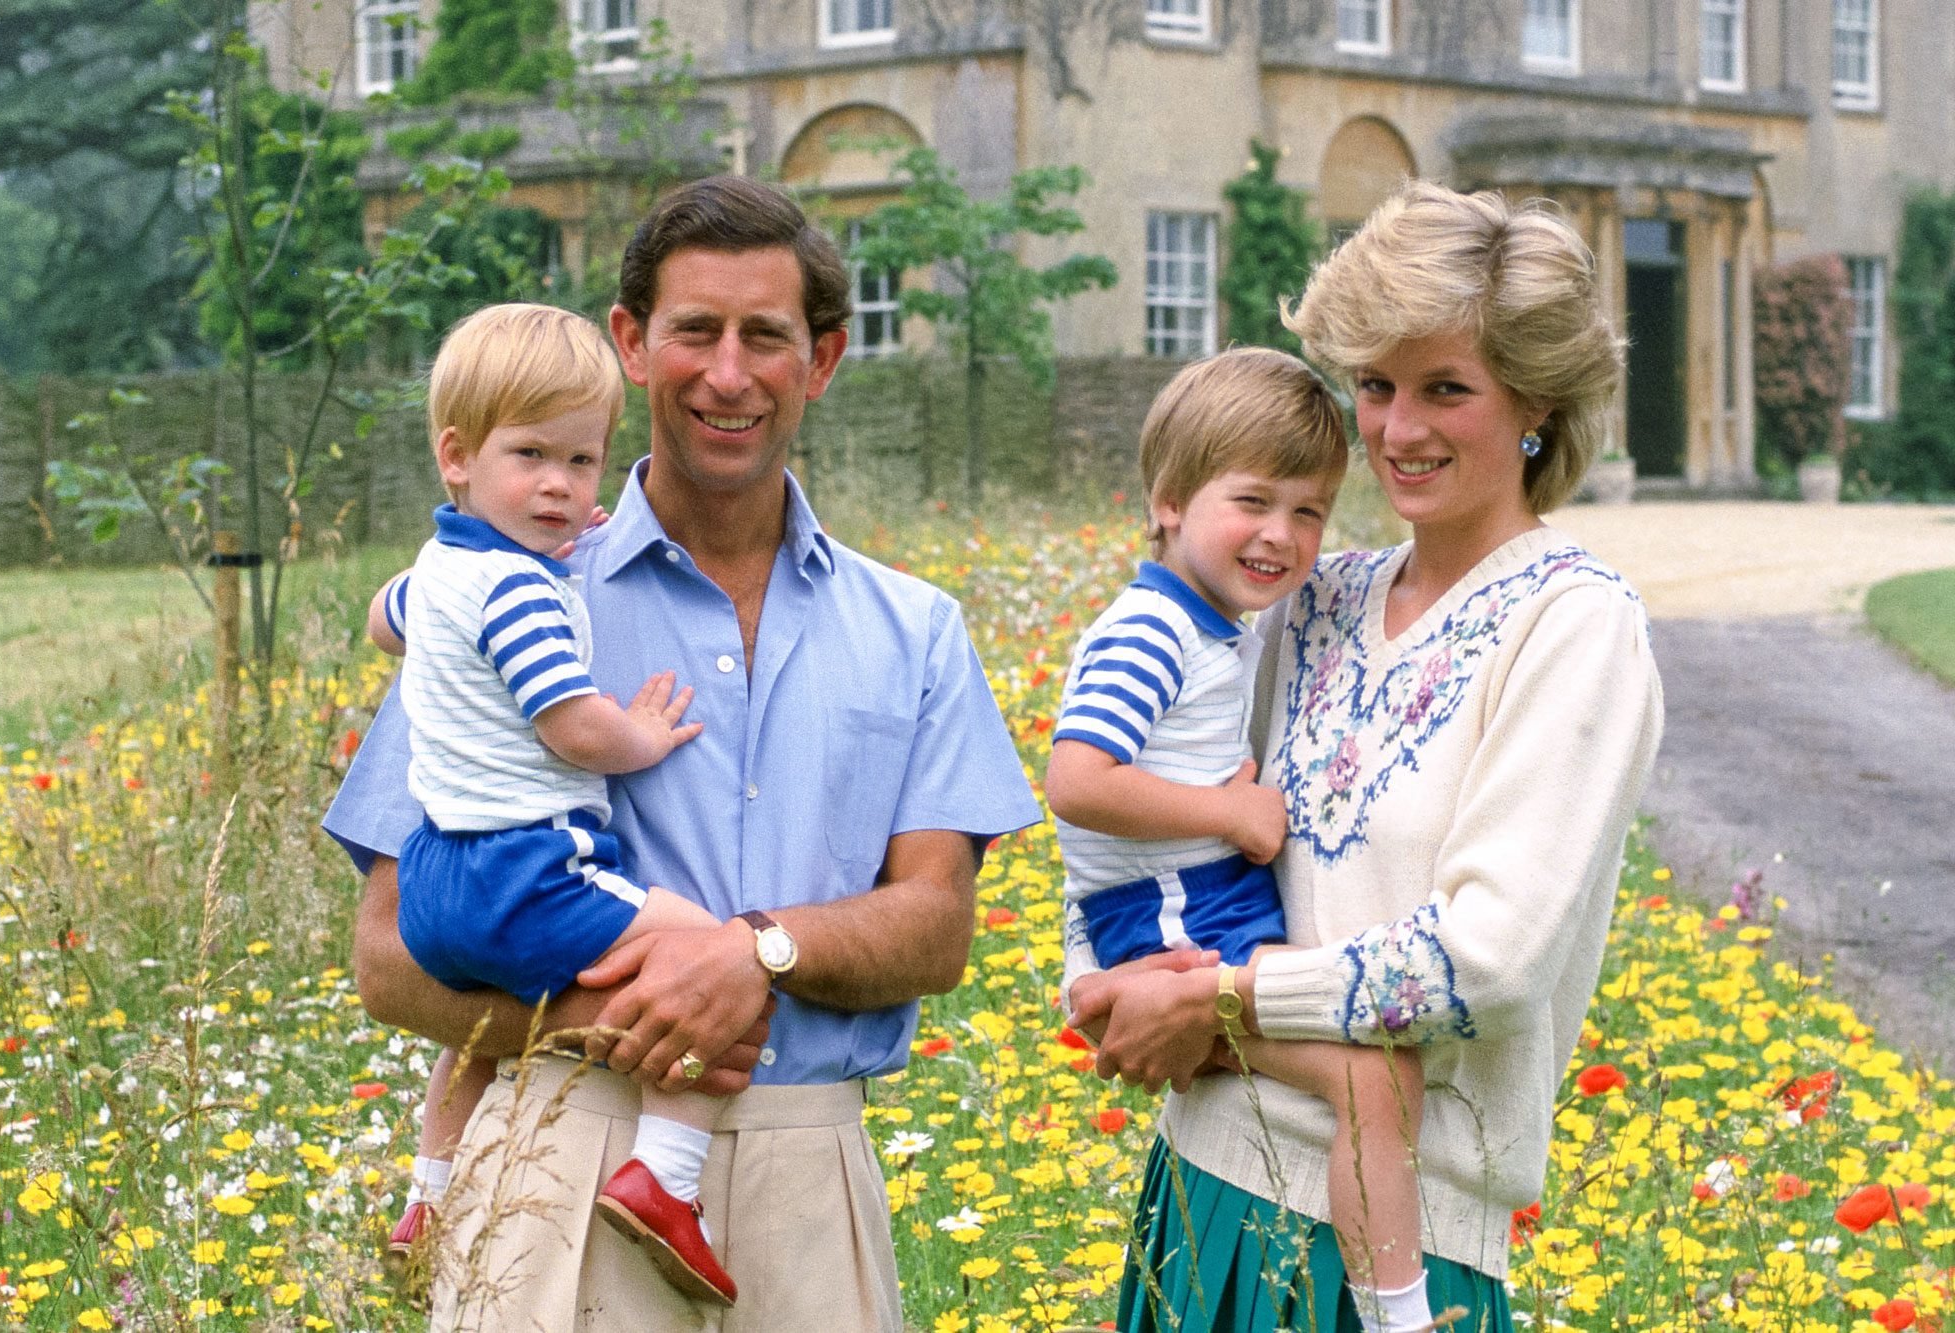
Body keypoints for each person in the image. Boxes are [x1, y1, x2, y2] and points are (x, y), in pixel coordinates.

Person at [325, 175, 1042, 1332]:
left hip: (812, 1178)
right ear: (630, 346)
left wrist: (753, 954)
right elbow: (385, 952)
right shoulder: (505, 592)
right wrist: (624, 1027)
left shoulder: (912, 627)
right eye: (692, 331)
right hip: (560, 1153)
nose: (726, 372)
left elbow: (937, 927)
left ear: (821, 360)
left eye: (764, 336)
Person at [1065, 180, 1664, 1332]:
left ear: (1534, 402)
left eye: (1446, 388)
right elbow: (1142, 808)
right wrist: (1101, 976)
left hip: (1402, 1248)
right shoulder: (1307, 598)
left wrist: (1222, 999)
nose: (1395, 428)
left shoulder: (1572, 626)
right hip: (1202, 1187)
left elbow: (1485, 962)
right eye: (1376, 385)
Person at [366, 301, 754, 1307]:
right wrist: (645, 733)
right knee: (706, 956)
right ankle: (666, 1181)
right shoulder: (520, 594)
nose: (559, 486)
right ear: (455, 456)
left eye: (582, 464)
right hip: (529, 864)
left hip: (438, 879)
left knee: (472, 1038)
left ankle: (430, 1193)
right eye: (530, 456)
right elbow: (569, 726)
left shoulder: (441, 569)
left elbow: (382, 619)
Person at [1046, 347, 1429, 1325]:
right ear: (1167, 500)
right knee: (1375, 1076)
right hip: (1172, 927)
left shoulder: (1211, 622)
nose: (1280, 534)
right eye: (1252, 501)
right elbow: (1076, 780)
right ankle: (1398, 1313)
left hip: (1189, 917)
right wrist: (1232, 812)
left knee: (1368, 1064)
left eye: (1307, 511)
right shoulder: (1149, 632)